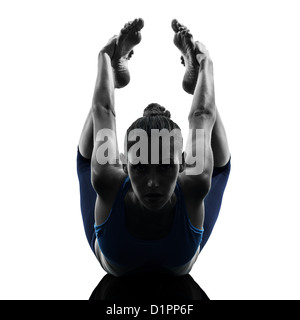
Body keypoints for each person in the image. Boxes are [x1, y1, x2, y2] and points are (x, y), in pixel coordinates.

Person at [77, 18, 231, 276]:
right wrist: (106, 58)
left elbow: (203, 114)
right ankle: (115, 73)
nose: (152, 182)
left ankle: (196, 86)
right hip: (163, 247)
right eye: (140, 169)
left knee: (218, 167)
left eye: (164, 168)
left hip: (173, 240)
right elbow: (103, 110)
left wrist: (206, 65)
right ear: (124, 165)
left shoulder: (194, 181)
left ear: (183, 164)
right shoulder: (109, 178)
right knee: (89, 161)